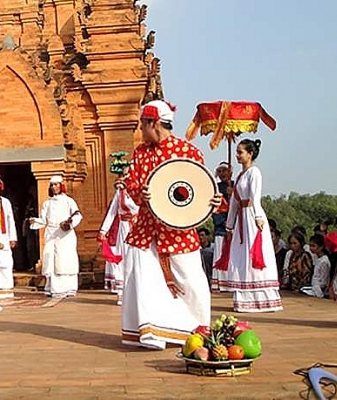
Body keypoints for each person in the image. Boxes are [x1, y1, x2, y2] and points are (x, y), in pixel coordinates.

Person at [120, 100, 219, 350]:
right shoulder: (140, 153)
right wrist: (139, 192)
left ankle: (195, 330)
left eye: (143, 124)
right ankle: (151, 332)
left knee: (192, 281)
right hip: (146, 230)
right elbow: (131, 185)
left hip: (179, 230)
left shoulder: (189, 153)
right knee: (144, 280)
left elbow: (201, 190)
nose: (140, 130)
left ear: (154, 123)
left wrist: (215, 199)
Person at [215, 139, 282, 313]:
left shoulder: (254, 172)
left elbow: (255, 196)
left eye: (240, 152)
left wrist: (258, 217)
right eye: (236, 152)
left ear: (250, 154)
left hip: (252, 217)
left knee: (254, 255)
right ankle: (245, 298)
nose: (237, 155)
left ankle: (262, 297)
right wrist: (229, 226)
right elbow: (234, 204)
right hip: (240, 221)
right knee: (241, 256)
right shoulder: (239, 176)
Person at [30, 176, 81, 298]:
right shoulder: (47, 203)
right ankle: (54, 288)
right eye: (52, 185)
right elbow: (43, 220)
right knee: (51, 260)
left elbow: (77, 215)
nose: (54, 187)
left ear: (61, 186)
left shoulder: (69, 201)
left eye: (56, 185)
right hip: (52, 233)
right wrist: (34, 221)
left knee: (65, 260)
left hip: (65, 235)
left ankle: (69, 288)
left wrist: (69, 224)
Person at [98, 173, 138, 303]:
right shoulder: (120, 192)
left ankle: (138, 290)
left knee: (139, 257)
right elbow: (112, 212)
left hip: (139, 228)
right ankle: (122, 292)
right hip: (124, 228)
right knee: (123, 257)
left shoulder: (140, 189)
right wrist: (104, 230)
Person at [210, 162, 232, 291]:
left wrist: (233, 193)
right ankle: (221, 283)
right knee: (220, 254)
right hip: (221, 227)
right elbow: (214, 208)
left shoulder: (235, 186)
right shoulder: (215, 188)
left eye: (226, 170)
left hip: (235, 226)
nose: (223, 173)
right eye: (221, 171)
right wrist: (223, 222)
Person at [302, 234, 331, 298]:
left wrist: (316, 288)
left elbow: (324, 281)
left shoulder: (324, 261)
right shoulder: (316, 257)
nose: (311, 248)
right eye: (310, 245)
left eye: (313, 246)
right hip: (314, 286)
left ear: (321, 247)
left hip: (318, 290)